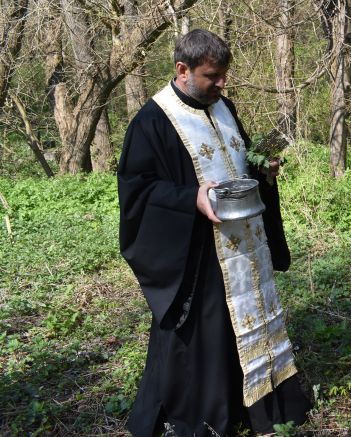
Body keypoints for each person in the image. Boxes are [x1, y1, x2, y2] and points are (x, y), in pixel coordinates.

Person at [117, 29, 310, 436]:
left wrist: (262, 169)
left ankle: (258, 407)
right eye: (212, 76)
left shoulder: (224, 106)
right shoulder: (152, 122)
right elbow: (138, 191)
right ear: (182, 70)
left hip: (246, 246)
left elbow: (237, 163)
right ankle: (209, 415)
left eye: (224, 75)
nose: (222, 84)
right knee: (206, 334)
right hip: (199, 255)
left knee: (249, 322)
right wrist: (191, 198)